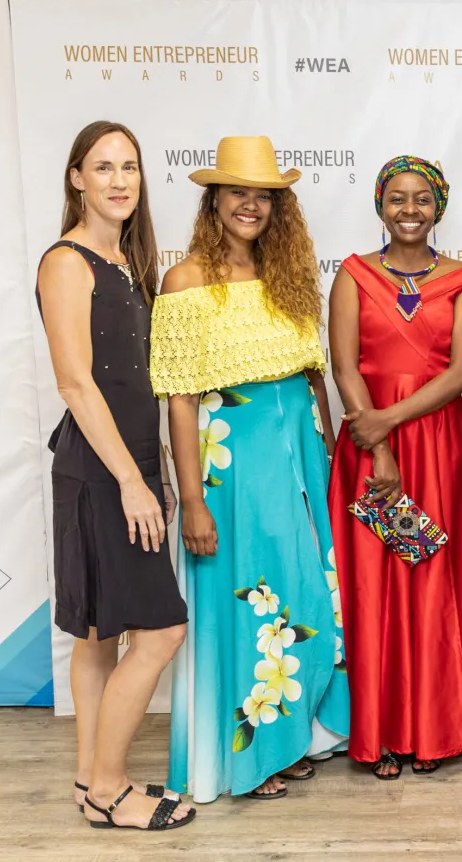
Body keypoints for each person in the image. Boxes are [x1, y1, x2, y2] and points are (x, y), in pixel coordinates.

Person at [152, 136, 348, 803]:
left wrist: (325, 461)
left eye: (263, 194)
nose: (251, 205)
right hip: (232, 471)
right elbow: (179, 401)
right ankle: (250, 757)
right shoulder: (185, 282)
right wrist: (192, 500)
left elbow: (311, 376)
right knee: (250, 604)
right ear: (215, 200)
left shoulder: (291, 274)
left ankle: (292, 738)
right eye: (238, 191)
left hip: (299, 456)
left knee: (302, 596)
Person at [38, 121, 194, 831]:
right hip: (99, 475)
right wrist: (131, 481)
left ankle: (86, 781)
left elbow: (138, 388)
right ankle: (110, 788)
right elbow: (76, 383)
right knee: (159, 632)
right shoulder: (68, 261)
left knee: (99, 634)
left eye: (129, 166)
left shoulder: (126, 264)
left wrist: (154, 467)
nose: (118, 180)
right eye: (102, 167)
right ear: (77, 178)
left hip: (122, 467)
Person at [328, 155, 462, 779]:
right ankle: (383, 731)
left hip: (434, 448)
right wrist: (376, 444)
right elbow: (345, 366)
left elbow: (458, 374)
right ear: (379, 205)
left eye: (422, 199)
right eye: (397, 198)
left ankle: (435, 727)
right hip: (372, 451)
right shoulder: (352, 275)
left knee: (429, 580)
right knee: (376, 584)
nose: (409, 210)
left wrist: (387, 424)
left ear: (439, 207)